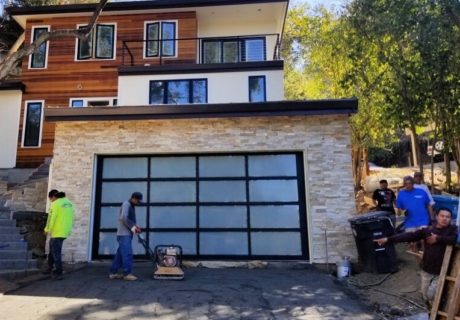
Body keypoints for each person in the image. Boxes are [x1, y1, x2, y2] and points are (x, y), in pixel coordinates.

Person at [374, 208, 458, 308]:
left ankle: (436, 311)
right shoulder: (428, 230)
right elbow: (409, 236)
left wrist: (438, 238)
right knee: (424, 294)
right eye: (442, 216)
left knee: (433, 294)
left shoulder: (452, 230)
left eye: (448, 217)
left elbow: (453, 240)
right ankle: (431, 312)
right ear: (437, 217)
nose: (445, 219)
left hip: (442, 272)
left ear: (450, 219)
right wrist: (388, 239)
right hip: (427, 269)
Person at [109, 192, 143, 281]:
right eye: (138, 201)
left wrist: (135, 227)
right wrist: (133, 227)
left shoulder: (131, 206)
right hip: (124, 234)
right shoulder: (126, 204)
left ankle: (113, 273)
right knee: (127, 254)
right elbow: (123, 218)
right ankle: (127, 274)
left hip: (125, 234)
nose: (138, 203)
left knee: (119, 255)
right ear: (134, 198)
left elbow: (128, 219)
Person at [44, 190, 75, 280]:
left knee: (56, 252)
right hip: (65, 231)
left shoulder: (56, 204)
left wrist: (47, 229)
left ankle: (58, 272)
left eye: (50, 200)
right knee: (52, 249)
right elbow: (73, 216)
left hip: (57, 232)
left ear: (53, 197)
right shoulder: (69, 203)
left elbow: (50, 218)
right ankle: (49, 267)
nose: (51, 201)